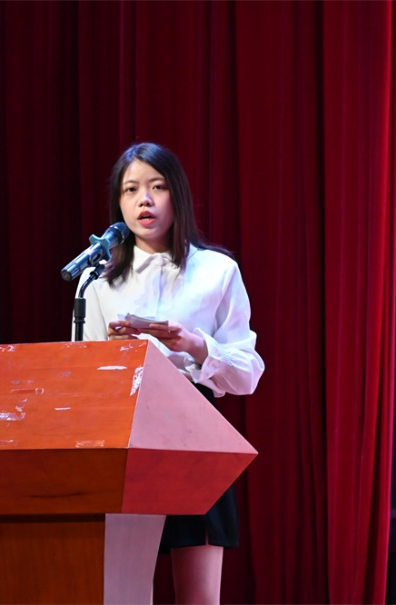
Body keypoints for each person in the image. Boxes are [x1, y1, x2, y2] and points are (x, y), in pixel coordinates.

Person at [75, 142, 265, 604]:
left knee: (198, 597)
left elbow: (248, 373)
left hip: (191, 430)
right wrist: (118, 356)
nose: (144, 199)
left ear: (177, 195)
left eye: (157, 187)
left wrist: (193, 344)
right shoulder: (97, 281)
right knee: (123, 594)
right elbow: (82, 376)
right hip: (122, 434)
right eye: (131, 190)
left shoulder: (217, 271)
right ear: (118, 204)